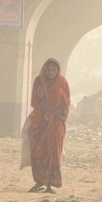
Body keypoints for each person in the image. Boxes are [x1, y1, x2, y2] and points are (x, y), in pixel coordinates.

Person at [28, 58, 70, 194]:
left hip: (56, 125)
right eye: (48, 70)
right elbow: (35, 102)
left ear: (58, 70)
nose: (51, 73)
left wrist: (55, 115)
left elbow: (66, 105)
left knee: (53, 153)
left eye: (54, 70)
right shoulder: (39, 82)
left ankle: (50, 184)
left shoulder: (62, 83)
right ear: (44, 70)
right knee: (38, 151)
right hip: (40, 122)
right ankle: (39, 181)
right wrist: (43, 114)